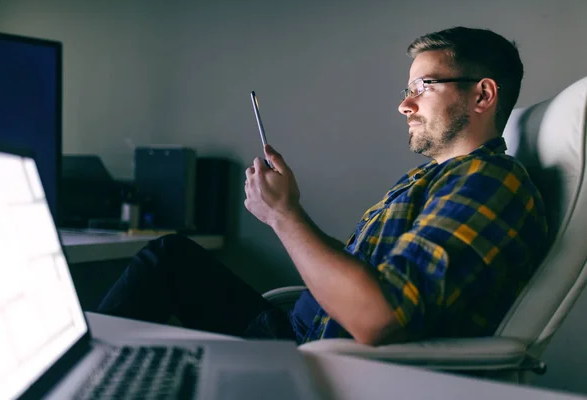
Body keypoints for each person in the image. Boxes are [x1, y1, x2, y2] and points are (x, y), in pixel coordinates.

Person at [98, 26, 548, 346]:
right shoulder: (433, 179)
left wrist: (284, 216)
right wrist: (290, 209)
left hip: (321, 358)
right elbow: (363, 267)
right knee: (170, 257)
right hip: (302, 331)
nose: (404, 105)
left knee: (164, 263)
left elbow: (380, 317)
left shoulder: (489, 182)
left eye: (423, 86)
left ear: (482, 95)